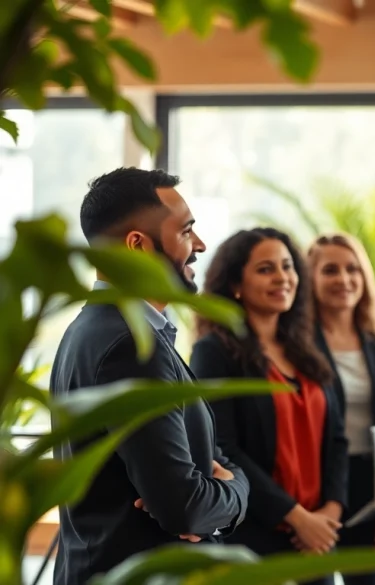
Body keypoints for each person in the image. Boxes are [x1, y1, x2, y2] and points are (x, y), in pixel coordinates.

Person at [49, 167, 250, 585]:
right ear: (138, 245)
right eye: (186, 231)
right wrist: (237, 491)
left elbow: (205, 463)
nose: (200, 245)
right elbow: (185, 507)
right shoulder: (129, 345)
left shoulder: (97, 328)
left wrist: (218, 483)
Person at [189, 228, 347, 585]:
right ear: (235, 284)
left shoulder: (308, 350)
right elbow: (223, 448)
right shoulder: (213, 352)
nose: (282, 278)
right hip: (254, 539)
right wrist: (298, 518)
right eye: (265, 269)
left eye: (288, 266)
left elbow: (337, 439)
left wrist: (328, 515)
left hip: (317, 539)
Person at [307, 233, 375, 585]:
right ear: (310, 278)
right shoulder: (297, 344)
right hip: (317, 485)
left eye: (352, 269)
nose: (344, 280)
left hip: (372, 485)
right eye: (330, 270)